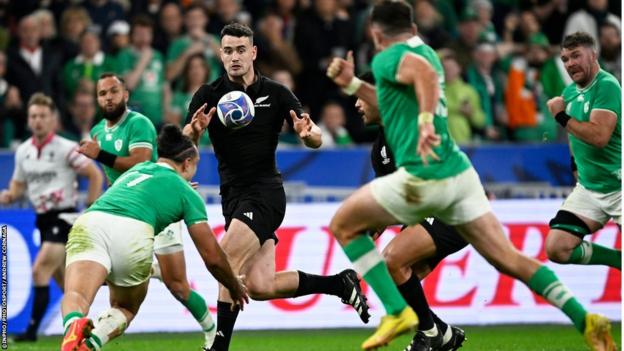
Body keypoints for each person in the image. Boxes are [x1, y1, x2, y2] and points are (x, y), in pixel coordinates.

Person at [326, 2, 615, 350]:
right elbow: (407, 89)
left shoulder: (388, 58)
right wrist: (354, 84)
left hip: (429, 175)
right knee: (508, 259)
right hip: (459, 173)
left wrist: (423, 120)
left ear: (375, 33)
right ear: (414, 29)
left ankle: (398, 313)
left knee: (346, 227)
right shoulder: (426, 51)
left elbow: (424, 79)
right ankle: (584, 317)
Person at [183, 23, 369, 351]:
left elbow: (316, 139)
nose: (235, 57)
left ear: (253, 52)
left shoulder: (277, 92)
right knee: (260, 285)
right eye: (228, 51)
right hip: (233, 196)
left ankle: (218, 345)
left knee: (226, 259)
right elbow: (184, 146)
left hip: (265, 193)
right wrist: (195, 132)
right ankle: (340, 283)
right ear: (221, 55)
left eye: (241, 50)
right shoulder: (208, 95)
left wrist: (306, 132)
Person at [60, 124, 249, 351]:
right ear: (188, 163)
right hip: (132, 233)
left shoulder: (137, 170)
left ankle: (73, 325)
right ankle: (90, 345)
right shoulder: (187, 193)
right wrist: (233, 285)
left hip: (91, 222)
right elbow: (212, 257)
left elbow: (156, 182)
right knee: (126, 307)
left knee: (76, 294)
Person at [78, 73, 218, 350]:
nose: (108, 97)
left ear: (126, 94)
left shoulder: (138, 124)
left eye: (113, 91)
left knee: (177, 285)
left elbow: (139, 164)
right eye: (102, 93)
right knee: (105, 273)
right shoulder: (97, 132)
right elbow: (115, 179)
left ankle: (212, 330)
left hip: (156, 207)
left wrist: (100, 155)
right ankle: (145, 273)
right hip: (125, 216)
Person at [353, 72, 468, 351]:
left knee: (392, 261)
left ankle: (429, 334)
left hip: (451, 209)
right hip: (430, 214)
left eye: (360, 96)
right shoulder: (380, 148)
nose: (356, 104)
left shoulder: (411, 126)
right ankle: (441, 333)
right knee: (395, 283)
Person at [0, 93, 103, 342]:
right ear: (28, 120)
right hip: (43, 219)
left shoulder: (65, 148)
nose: (38, 121)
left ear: (53, 119)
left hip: (64, 218)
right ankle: (82, 327)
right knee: (67, 285)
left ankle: (32, 333)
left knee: (40, 270)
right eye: (34, 116)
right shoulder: (23, 152)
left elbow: (95, 174)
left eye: (43, 116)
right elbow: (16, 189)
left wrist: (90, 208)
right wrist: (7, 195)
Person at [545, 32, 621, 273]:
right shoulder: (569, 93)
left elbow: (599, 137)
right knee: (557, 248)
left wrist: (560, 116)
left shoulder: (607, 85)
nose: (570, 64)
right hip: (590, 189)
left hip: (619, 185)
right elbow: (574, 133)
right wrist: (575, 165)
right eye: (565, 59)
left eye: (576, 56)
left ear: (593, 54)